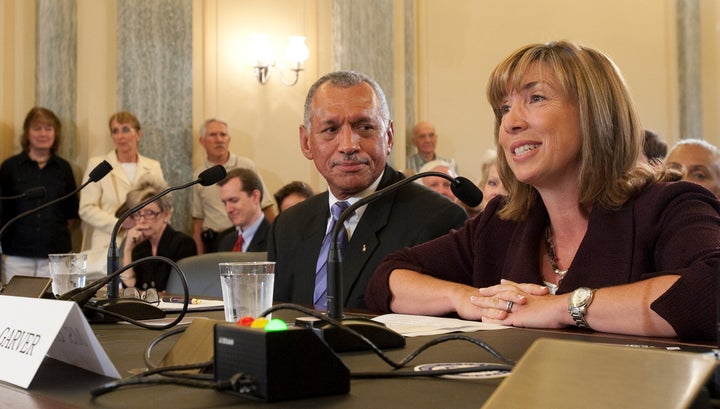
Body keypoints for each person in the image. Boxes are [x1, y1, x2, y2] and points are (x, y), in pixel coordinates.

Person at [366, 40, 720, 341]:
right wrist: (468, 299)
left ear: (594, 114)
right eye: (504, 108)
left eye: (535, 98)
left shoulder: (669, 206)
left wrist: (560, 308)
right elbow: (388, 277)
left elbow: (711, 290)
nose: (511, 122)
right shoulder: (503, 223)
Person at [268, 70, 468, 310]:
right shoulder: (287, 227)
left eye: (364, 127)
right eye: (330, 129)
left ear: (389, 137)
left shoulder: (438, 220)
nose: (348, 145)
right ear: (306, 142)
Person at [79, 111, 165, 275]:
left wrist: (146, 223)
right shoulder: (98, 164)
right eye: (115, 131)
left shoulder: (153, 166)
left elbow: (164, 204)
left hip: (144, 241)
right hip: (108, 243)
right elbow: (86, 208)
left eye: (126, 129)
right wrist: (119, 223)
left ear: (138, 134)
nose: (120, 136)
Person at [0, 107, 79, 283]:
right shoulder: (9, 167)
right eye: (37, 128)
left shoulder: (64, 168)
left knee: (55, 306)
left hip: (55, 255)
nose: (43, 133)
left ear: (56, 133)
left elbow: (70, 214)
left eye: (48, 128)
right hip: (16, 255)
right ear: (27, 133)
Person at [191, 118, 275, 254]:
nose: (219, 139)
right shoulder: (198, 175)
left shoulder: (247, 166)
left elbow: (265, 205)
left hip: (248, 237)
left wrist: (276, 237)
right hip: (215, 241)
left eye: (223, 135)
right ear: (202, 141)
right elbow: (197, 221)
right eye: (213, 135)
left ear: (229, 139)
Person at [119, 175, 196, 293]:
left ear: (166, 214)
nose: (142, 220)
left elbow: (180, 291)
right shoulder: (139, 247)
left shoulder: (183, 244)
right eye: (138, 214)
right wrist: (128, 250)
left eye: (149, 213)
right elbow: (129, 290)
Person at [216, 168, 270, 252]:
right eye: (225, 203)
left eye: (234, 200)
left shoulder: (275, 238)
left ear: (255, 196)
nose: (228, 209)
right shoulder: (226, 242)